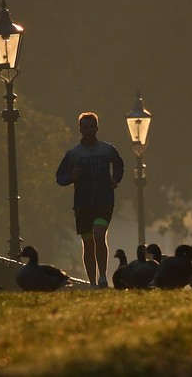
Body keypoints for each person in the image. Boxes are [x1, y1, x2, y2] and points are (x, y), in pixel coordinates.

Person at [55, 112, 124, 288]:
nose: (88, 130)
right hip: (83, 204)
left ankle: (102, 277)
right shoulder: (74, 154)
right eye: (84, 127)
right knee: (87, 242)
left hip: (104, 201)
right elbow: (60, 177)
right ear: (80, 129)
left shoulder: (108, 149)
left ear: (97, 128)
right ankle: (92, 283)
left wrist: (115, 179)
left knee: (99, 235)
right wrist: (71, 176)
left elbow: (119, 165)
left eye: (91, 127)